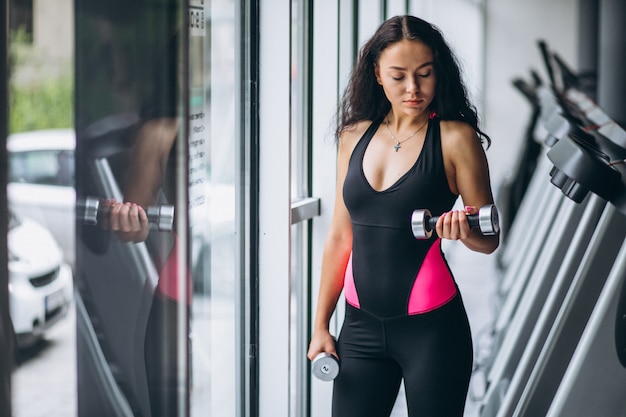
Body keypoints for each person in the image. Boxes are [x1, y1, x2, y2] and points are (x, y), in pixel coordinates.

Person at [307, 15, 499, 417]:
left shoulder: (455, 138)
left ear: (438, 73)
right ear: (377, 74)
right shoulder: (352, 137)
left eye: (424, 74)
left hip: (432, 330)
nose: (413, 89)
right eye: (398, 76)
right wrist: (321, 324)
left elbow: (489, 238)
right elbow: (342, 237)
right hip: (358, 328)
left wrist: (462, 232)